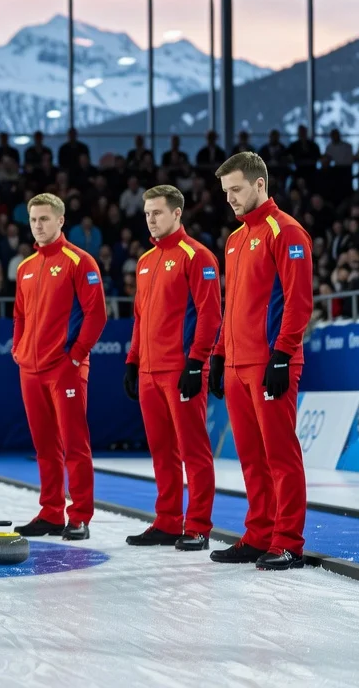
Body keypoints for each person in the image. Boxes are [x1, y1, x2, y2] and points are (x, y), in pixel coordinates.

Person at [210, 152, 312, 570]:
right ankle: (258, 534)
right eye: (225, 192)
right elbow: (231, 305)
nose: (230, 199)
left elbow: (298, 301)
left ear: (259, 184)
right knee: (250, 457)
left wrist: (284, 354)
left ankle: (287, 540)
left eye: (235, 190)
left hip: (270, 361)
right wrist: (218, 355)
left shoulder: (285, 231)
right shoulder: (235, 240)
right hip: (236, 364)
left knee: (280, 455)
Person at [121, 185, 220, 552]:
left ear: (177, 213)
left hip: (181, 369)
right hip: (148, 371)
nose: (151, 218)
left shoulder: (197, 256)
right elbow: (140, 317)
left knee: (193, 449)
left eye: (157, 212)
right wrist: (133, 361)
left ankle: (197, 524)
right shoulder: (145, 261)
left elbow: (210, 315)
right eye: (147, 213)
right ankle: (166, 521)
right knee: (161, 451)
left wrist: (197, 362)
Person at [12, 193, 105, 541]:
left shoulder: (79, 261)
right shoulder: (25, 267)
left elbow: (97, 314)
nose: (38, 225)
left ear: (60, 221)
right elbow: (19, 315)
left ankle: (79, 515)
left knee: (74, 444)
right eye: (34, 219)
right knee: (44, 446)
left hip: (64, 367)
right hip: (30, 369)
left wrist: (76, 356)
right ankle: (51, 512)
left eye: (45, 219)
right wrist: (20, 350)